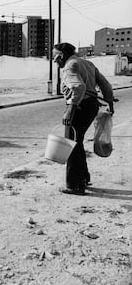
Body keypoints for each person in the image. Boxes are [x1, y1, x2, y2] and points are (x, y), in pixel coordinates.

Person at [53, 42, 114, 195]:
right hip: (91, 106)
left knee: (71, 143)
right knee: (77, 142)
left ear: (61, 55)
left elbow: (78, 87)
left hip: (79, 107)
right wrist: (110, 103)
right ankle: (84, 178)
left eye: (55, 57)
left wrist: (70, 110)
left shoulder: (70, 65)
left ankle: (74, 185)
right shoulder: (87, 63)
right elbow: (105, 85)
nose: (54, 61)